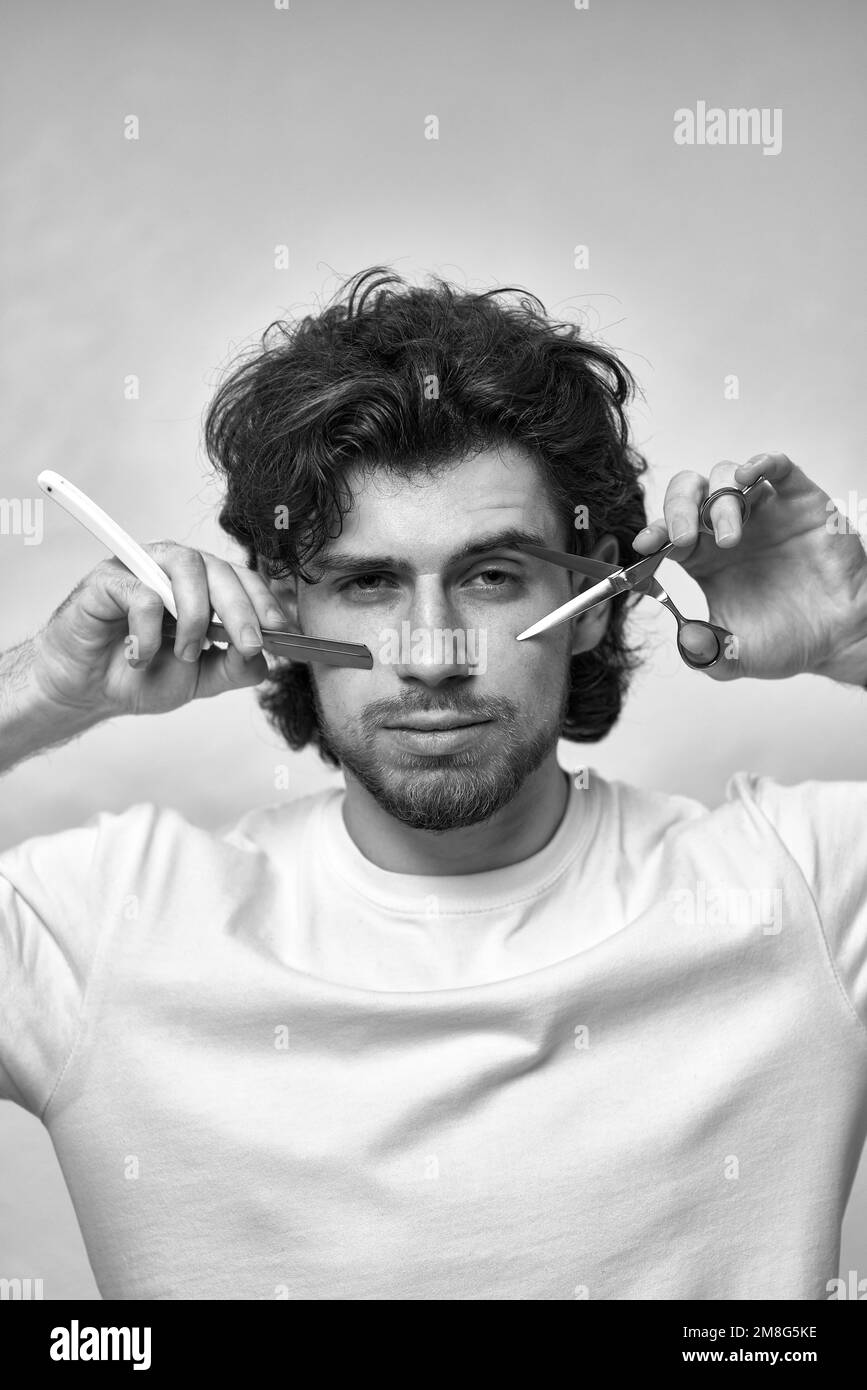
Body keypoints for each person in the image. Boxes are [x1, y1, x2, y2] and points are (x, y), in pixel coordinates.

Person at [2, 267, 866, 1301]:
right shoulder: (106, 923)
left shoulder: (807, 891)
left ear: (593, 598)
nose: (431, 652)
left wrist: (859, 635)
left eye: (492, 575)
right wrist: (41, 692)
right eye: (367, 583)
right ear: (283, 610)